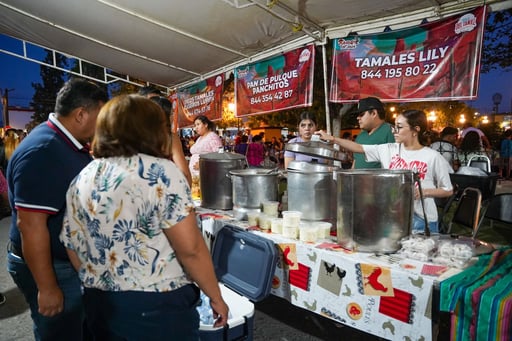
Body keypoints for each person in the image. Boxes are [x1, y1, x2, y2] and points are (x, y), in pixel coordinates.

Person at [59, 95, 228, 340]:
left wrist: (100, 282)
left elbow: (72, 244)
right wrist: (215, 296)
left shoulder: (83, 177)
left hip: (99, 304)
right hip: (158, 307)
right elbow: (190, 249)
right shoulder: (161, 173)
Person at [6, 78, 108, 340]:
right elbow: (30, 226)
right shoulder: (44, 151)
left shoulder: (66, 141)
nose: (104, 124)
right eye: (101, 115)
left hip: (65, 262)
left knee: (78, 328)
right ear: (81, 114)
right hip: (51, 267)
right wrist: (47, 287)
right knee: (61, 332)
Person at [316, 109, 453, 234]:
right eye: (394, 127)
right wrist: (333, 139)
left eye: (399, 127)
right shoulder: (389, 149)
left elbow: (448, 190)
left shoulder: (433, 157)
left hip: (422, 220)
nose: (394, 131)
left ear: (415, 130)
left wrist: (424, 192)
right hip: (393, 217)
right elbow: (359, 148)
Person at [149, 95, 192, 186]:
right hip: (164, 189)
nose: (173, 117)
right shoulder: (170, 137)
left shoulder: (135, 137)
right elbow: (184, 174)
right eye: (172, 113)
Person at [353, 97, 395, 169]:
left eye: (361, 114)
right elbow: (355, 162)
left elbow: (396, 163)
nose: (358, 118)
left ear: (374, 113)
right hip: (357, 179)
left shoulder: (391, 131)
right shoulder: (360, 136)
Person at [189, 115, 223, 199]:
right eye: (195, 125)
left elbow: (220, 155)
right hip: (195, 177)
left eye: (198, 124)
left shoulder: (213, 137)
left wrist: (203, 164)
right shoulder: (199, 138)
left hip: (206, 175)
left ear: (205, 124)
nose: (196, 128)